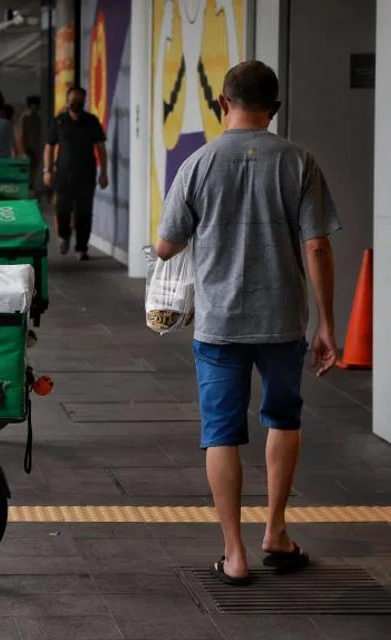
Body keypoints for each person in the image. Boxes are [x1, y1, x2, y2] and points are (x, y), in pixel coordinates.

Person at [154, 60, 340, 586]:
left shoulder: (198, 163)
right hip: (283, 321)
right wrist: (327, 324)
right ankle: (276, 533)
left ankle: (234, 554)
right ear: (274, 109)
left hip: (218, 324)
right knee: (283, 419)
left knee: (221, 433)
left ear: (222, 104)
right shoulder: (299, 162)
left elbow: (168, 245)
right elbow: (318, 245)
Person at [43, 86, 108, 259]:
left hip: (86, 175)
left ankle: (82, 248)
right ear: (67, 101)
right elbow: (49, 147)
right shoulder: (59, 122)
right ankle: (64, 236)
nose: (76, 103)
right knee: (62, 210)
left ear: (84, 101)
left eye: (79, 100)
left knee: (84, 212)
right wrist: (47, 170)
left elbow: (101, 148)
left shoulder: (91, 121)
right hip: (63, 175)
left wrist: (104, 173)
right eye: (73, 99)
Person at [19, 96, 42, 196]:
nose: (38, 107)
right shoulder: (25, 118)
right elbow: (21, 135)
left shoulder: (37, 118)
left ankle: (30, 189)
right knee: (27, 171)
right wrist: (23, 150)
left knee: (33, 171)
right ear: (31, 105)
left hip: (36, 148)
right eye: (36, 104)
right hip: (27, 148)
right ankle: (25, 191)